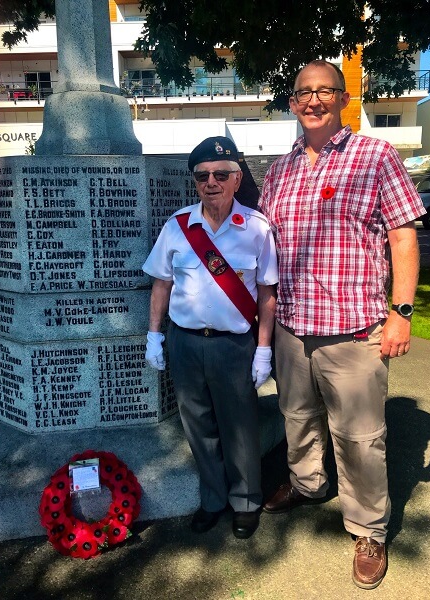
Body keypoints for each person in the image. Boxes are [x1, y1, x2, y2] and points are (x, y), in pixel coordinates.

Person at [259, 60, 426, 589]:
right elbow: (264, 248)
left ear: (343, 97)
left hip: (354, 330)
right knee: (297, 418)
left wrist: (401, 314)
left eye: (324, 91)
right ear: (292, 102)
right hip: (291, 327)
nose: (313, 101)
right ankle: (308, 484)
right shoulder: (281, 169)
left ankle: (369, 527)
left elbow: (402, 237)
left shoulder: (374, 156)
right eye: (303, 93)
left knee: (360, 437)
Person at [143, 136, 278, 539]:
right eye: (202, 176)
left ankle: (246, 501)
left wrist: (264, 350)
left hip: (234, 346)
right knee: (198, 426)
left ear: (237, 179)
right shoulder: (178, 226)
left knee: (240, 428)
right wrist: (154, 335)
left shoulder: (255, 229)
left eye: (221, 174)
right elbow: (161, 285)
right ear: (195, 182)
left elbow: (268, 294)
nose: (211, 182)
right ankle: (213, 500)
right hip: (185, 342)